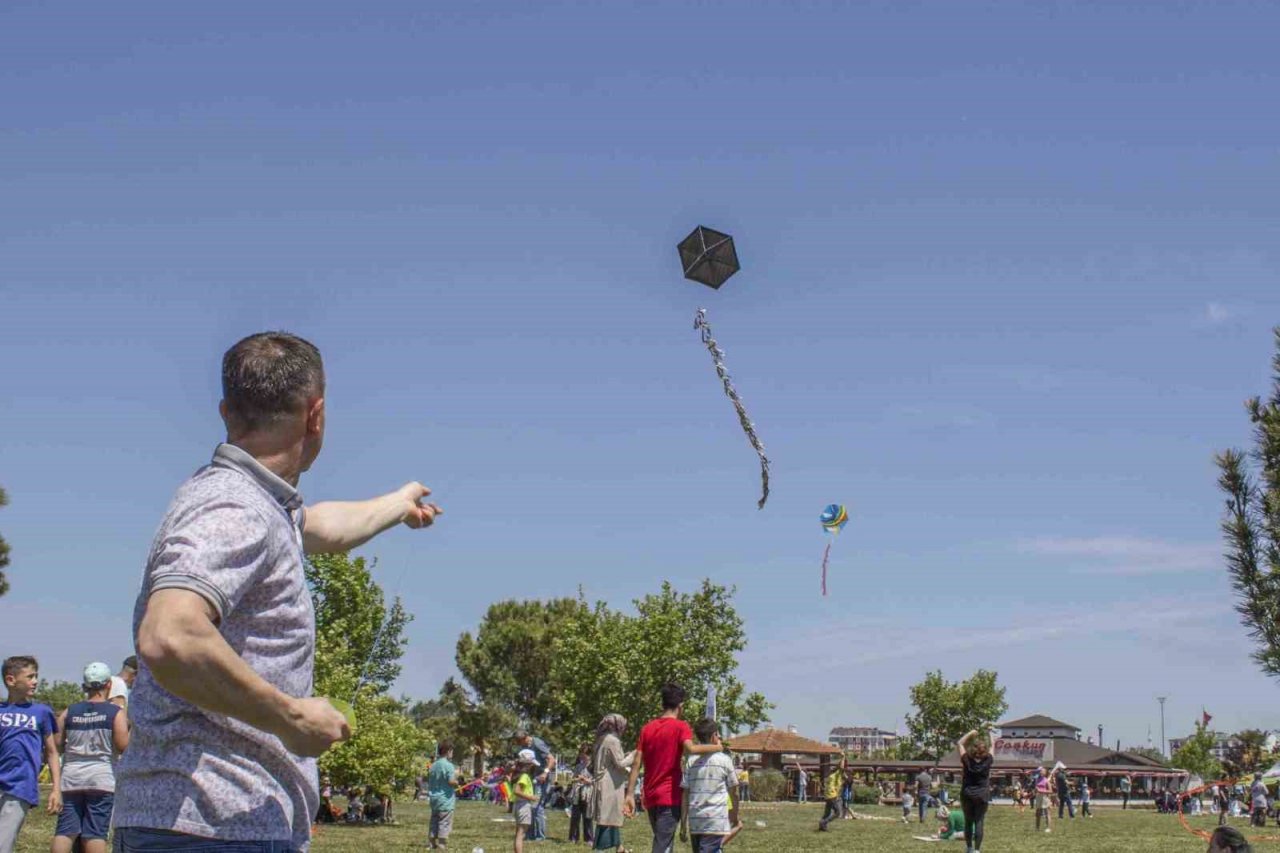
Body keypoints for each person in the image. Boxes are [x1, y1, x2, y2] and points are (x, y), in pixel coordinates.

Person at [113, 332, 442, 851]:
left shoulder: (262, 507)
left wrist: (399, 504)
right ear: (317, 416)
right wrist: (291, 718)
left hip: (205, 824)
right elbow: (169, 633)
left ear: (226, 411)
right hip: (213, 825)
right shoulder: (236, 508)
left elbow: (324, 527)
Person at [622, 683, 721, 853]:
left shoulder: (647, 729)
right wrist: (718, 747)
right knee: (663, 846)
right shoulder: (681, 726)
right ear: (680, 706)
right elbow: (691, 749)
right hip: (669, 796)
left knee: (662, 841)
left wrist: (630, 794)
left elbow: (637, 763)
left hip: (650, 796)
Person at [51, 662, 129, 853]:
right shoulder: (115, 713)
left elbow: (57, 743)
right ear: (109, 685)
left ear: (85, 686)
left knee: (65, 831)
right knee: (95, 833)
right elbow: (122, 746)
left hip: (71, 778)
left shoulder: (70, 711)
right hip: (101, 779)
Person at [0, 656, 60, 853]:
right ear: (11, 680)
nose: (35, 681)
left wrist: (56, 789)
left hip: (20, 786)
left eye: (36, 676)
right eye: (30, 676)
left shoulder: (41, 712)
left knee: (3, 844)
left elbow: (52, 752)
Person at [678, 719, 737, 852]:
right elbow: (734, 790)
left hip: (695, 821)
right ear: (713, 736)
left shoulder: (690, 762)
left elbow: (685, 795)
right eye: (718, 734)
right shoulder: (725, 760)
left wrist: (683, 824)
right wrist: (734, 814)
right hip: (715, 821)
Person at [588, 714, 634, 853]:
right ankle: (600, 850)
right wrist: (635, 754)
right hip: (609, 786)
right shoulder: (612, 740)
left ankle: (619, 848)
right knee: (607, 820)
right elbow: (620, 763)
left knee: (610, 818)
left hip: (605, 783)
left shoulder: (602, 739)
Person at [514, 730, 557, 841]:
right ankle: (530, 834)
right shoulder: (525, 746)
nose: (520, 745)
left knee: (537, 807)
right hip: (531, 778)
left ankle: (540, 837)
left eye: (520, 742)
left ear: (525, 738)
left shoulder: (537, 743)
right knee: (530, 807)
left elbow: (552, 759)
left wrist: (545, 773)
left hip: (541, 779)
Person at [957, 728, 993, 853]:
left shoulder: (967, 760)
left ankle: (969, 848)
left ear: (972, 749)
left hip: (967, 793)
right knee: (979, 821)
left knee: (968, 821)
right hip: (982, 794)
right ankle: (977, 850)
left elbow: (960, 743)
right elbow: (993, 745)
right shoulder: (988, 760)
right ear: (985, 751)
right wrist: (988, 733)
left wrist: (971, 733)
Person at [428, 740, 464, 849]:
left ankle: (431, 843)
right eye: (451, 750)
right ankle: (442, 844)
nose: (452, 753)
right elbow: (451, 781)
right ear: (447, 751)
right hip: (445, 800)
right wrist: (458, 782)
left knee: (434, 820)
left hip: (434, 799)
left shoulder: (433, 765)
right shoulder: (449, 765)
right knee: (444, 822)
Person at [568, 744, 594, 845]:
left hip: (588, 794)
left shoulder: (593, 766)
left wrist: (585, 779)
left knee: (588, 817)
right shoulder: (578, 766)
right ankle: (573, 837)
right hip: (577, 793)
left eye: (584, 756)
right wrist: (574, 779)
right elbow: (574, 778)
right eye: (581, 755)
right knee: (575, 816)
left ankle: (589, 839)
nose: (582, 758)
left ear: (589, 755)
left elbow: (595, 781)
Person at [513, 754, 538, 853]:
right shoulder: (524, 776)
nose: (534, 767)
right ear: (528, 765)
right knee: (521, 834)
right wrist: (531, 797)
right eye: (532, 765)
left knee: (519, 833)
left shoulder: (520, 775)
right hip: (523, 805)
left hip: (519, 805)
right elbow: (517, 791)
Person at [817, 756, 846, 832]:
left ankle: (822, 827)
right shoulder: (837, 774)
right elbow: (841, 767)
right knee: (837, 813)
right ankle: (824, 822)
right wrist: (843, 757)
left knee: (827, 813)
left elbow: (840, 767)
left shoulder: (830, 776)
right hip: (832, 795)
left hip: (827, 795)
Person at [1033, 767, 1052, 833]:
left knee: (1047, 813)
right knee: (1038, 814)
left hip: (1045, 798)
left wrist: (1041, 790)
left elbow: (1050, 791)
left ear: (1045, 773)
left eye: (1042, 771)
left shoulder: (1046, 780)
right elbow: (1036, 790)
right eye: (1040, 771)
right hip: (1038, 797)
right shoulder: (1037, 780)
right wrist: (1035, 791)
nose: (1040, 772)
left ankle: (1048, 828)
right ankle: (1037, 828)